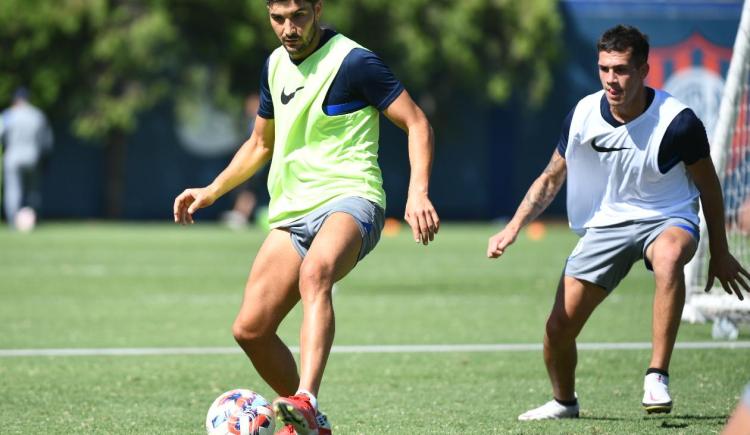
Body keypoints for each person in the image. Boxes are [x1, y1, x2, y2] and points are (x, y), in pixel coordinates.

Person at [173, 1, 440, 433]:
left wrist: (418, 191)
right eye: (279, 18)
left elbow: (418, 123)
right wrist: (211, 191)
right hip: (294, 210)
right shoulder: (275, 65)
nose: (289, 28)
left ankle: (307, 400)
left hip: (353, 199)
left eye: (298, 15)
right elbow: (260, 144)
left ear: (317, 9)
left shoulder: (354, 62)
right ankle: (312, 422)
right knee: (250, 330)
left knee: (315, 273)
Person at [486, 24, 750, 421]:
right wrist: (514, 227)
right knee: (558, 330)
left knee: (668, 258)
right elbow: (551, 177)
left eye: (622, 69)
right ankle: (564, 402)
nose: (612, 79)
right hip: (607, 225)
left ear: (644, 70)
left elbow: (710, 187)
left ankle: (656, 375)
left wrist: (721, 252)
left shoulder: (678, 122)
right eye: (605, 68)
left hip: (668, 216)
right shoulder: (583, 115)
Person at [0, 87, 53, 230]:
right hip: (32, 156)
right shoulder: (37, 115)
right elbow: (46, 141)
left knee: (13, 190)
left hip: (13, 156)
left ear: (15, 99)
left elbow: (1, 135)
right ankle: (33, 219)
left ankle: (13, 222)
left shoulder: (8, 114)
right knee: (33, 191)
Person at [220, 93, 269, 229]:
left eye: (252, 105)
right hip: (251, 162)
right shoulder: (250, 121)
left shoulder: (261, 121)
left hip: (256, 164)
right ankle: (239, 213)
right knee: (244, 189)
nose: (249, 108)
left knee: (249, 190)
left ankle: (241, 215)